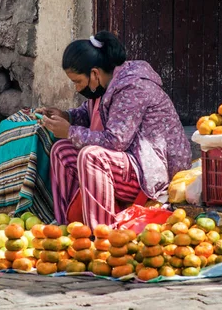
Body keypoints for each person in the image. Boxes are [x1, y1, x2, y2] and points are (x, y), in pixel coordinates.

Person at [38, 30, 192, 230]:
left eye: (77, 82)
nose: (77, 89)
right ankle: (69, 227)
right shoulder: (107, 85)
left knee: (91, 156)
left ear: (94, 73)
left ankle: (100, 235)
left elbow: (116, 141)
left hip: (152, 170)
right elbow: (87, 113)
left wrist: (70, 131)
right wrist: (65, 116)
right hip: (130, 163)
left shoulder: (132, 87)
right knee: (61, 151)